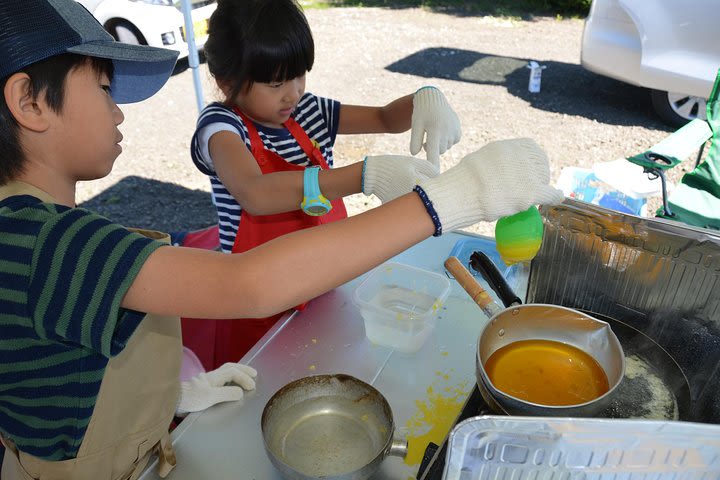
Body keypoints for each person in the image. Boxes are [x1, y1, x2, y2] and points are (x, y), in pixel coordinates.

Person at [0, 0, 563, 478]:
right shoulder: (44, 242)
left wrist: (163, 396)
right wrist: (453, 198)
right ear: (28, 102)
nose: (118, 109)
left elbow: (64, 368)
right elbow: (248, 273)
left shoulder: (37, 235)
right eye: (102, 87)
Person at [186, 0, 464, 366]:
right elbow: (254, 193)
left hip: (323, 275)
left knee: (323, 362)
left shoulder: (309, 111)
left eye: (299, 74)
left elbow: (384, 118)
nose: (293, 92)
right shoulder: (221, 126)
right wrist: (363, 176)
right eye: (275, 83)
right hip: (257, 296)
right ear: (227, 82)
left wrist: (425, 99)